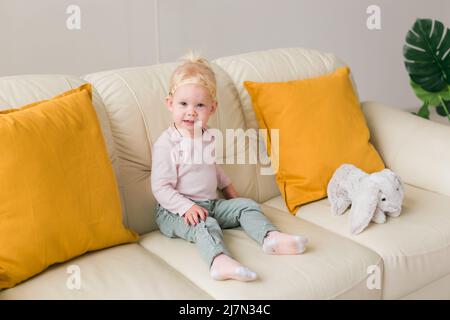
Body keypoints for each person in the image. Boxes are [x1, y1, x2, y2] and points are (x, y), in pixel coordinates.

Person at [151, 51, 308, 282]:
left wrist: (229, 190)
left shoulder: (207, 135)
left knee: (247, 206)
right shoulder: (167, 143)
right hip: (173, 211)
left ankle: (270, 238)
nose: (191, 111)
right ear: (170, 104)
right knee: (205, 224)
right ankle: (219, 261)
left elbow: (211, 168)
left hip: (210, 204)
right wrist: (185, 207)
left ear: (212, 108)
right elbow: (161, 187)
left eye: (200, 105)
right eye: (183, 104)